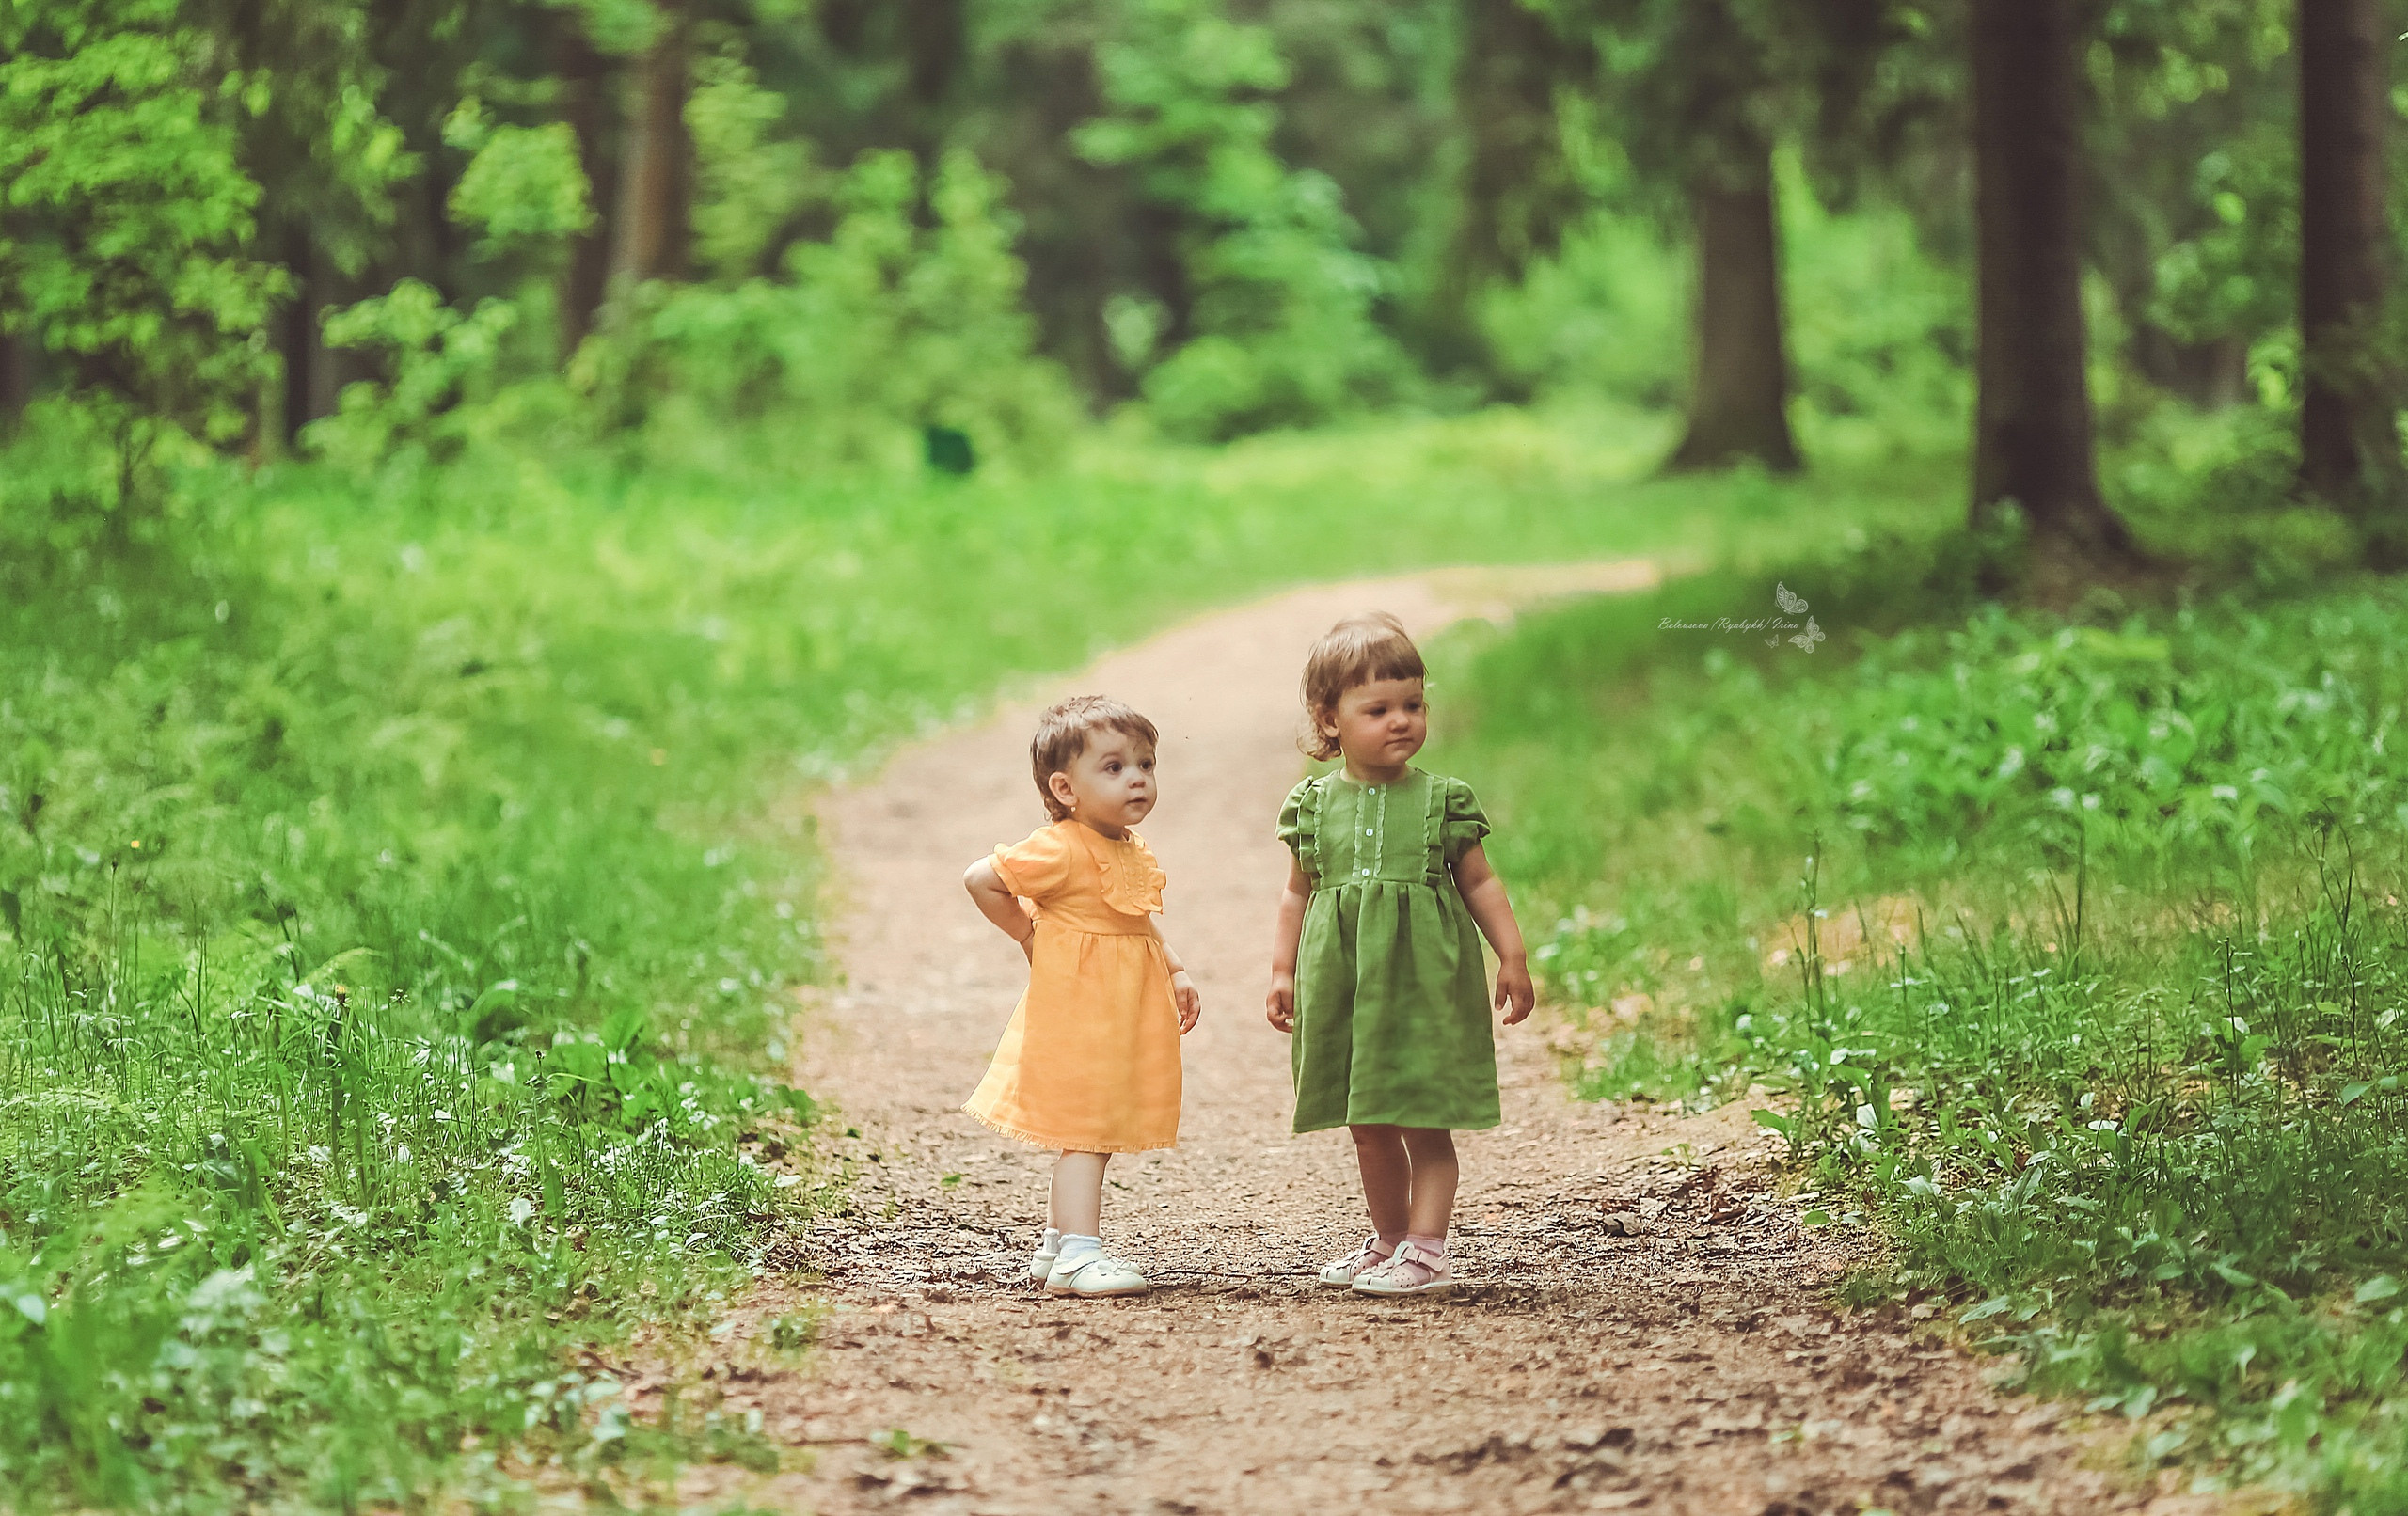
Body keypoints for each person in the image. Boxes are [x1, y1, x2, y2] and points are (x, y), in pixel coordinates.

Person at [1267, 612, 1534, 1297]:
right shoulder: (1313, 806)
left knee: (1422, 1116)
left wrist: (1511, 955)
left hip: (1424, 985)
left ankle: (1428, 1250)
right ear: (1328, 719)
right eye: (1378, 709)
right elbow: (1298, 892)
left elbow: (1480, 883)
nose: (1401, 721)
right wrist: (1282, 970)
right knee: (1369, 1123)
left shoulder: (1443, 801)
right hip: (1349, 985)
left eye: (1413, 705)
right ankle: (1389, 1241)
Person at [962, 695, 1202, 1297]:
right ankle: (1079, 1255)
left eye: (1146, 765)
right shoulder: (1060, 847)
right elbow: (982, 879)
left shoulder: (1127, 847)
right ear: (1065, 788)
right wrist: (1029, 936)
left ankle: (1055, 1245)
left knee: (1092, 1129)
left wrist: (1174, 970)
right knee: (1088, 1133)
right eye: (1115, 768)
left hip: (1118, 1013)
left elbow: (1135, 918)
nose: (1138, 779)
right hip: (1080, 1014)